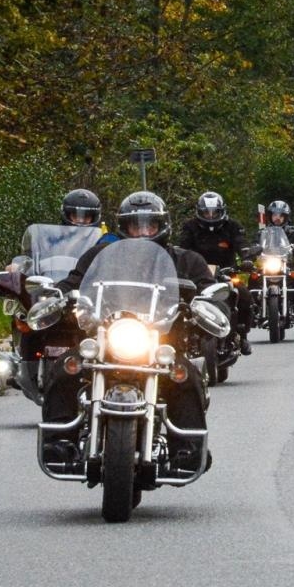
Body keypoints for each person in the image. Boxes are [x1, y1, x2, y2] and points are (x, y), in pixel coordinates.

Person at [44, 191, 214, 465]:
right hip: (106, 339)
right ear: (124, 227)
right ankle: (59, 441)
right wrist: (56, 296)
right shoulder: (101, 256)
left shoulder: (185, 261)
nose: (143, 232)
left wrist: (208, 303)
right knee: (66, 368)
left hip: (161, 343)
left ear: (162, 226)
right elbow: (75, 281)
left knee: (185, 375)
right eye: (136, 225)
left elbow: (208, 290)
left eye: (150, 225)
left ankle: (188, 448)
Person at [177, 191, 254, 355]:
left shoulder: (232, 226)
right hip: (197, 276)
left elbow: (242, 243)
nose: (210, 216)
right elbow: (182, 249)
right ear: (199, 212)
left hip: (226, 274)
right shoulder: (189, 227)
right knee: (180, 301)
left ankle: (242, 334)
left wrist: (247, 257)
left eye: (214, 213)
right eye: (207, 212)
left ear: (222, 211)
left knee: (245, 296)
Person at [263, 200, 294, 323]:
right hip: (268, 264)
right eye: (275, 215)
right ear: (270, 216)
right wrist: (251, 251)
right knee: (254, 278)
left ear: (286, 217)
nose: (277, 218)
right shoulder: (264, 232)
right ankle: (253, 308)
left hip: (287, 264)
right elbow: (255, 243)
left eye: (281, 216)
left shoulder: (293, 231)